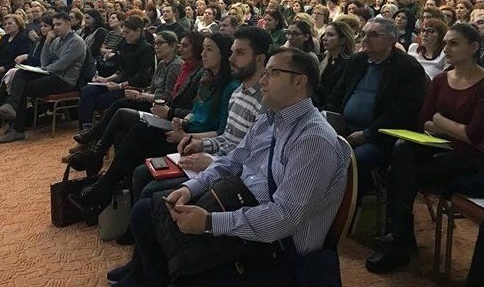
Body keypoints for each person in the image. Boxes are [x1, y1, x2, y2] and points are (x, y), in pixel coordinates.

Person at [113, 47, 350, 286]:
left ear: (299, 81)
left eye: (273, 73)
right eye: (264, 73)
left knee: (187, 267)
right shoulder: (270, 120)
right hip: (238, 200)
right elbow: (232, 161)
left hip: (276, 247)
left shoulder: (313, 139)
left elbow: (284, 218)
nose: (263, 80)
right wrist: (190, 188)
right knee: (146, 213)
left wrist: (209, 222)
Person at [366, 23, 484, 273]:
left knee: (397, 172)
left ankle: (399, 237)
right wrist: (458, 131)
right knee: (402, 149)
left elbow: (474, 135)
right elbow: (424, 120)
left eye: (454, 43)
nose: (446, 48)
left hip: (472, 159)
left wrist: (441, 121)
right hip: (440, 148)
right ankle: (399, 237)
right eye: (446, 43)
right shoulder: (441, 79)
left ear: (474, 47)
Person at [73, 32, 239, 217]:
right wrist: (183, 121)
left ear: (223, 54)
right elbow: (195, 112)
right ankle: (110, 191)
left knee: (132, 130)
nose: (203, 54)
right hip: (183, 130)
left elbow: (220, 131)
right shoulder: (207, 78)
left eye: (209, 50)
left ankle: (103, 186)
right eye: (203, 49)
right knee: (125, 132)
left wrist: (184, 133)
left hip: (195, 142)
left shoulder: (229, 88)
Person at [129, 26, 271, 208]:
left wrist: (208, 155)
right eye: (232, 52)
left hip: (229, 172)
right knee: (142, 170)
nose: (231, 58)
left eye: (240, 53)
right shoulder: (238, 92)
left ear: (259, 59)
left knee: (148, 195)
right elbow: (227, 137)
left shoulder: (263, 102)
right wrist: (199, 144)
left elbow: (252, 158)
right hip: (215, 157)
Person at [326, 18, 427, 197]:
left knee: (352, 161)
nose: (365, 39)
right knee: (312, 148)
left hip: (381, 136)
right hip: (344, 128)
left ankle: (350, 207)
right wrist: (328, 119)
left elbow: (402, 112)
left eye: (373, 35)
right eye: (363, 34)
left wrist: (367, 134)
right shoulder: (357, 60)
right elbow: (337, 94)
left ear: (390, 40)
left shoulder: (408, 68)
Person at [68, 31, 184, 170]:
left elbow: (167, 97)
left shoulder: (175, 65)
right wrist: (141, 94)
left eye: (160, 43)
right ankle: (96, 148)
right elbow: (151, 88)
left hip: (160, 108)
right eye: (155, 43)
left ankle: (95, 146)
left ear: (172, 46)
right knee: (111, 112)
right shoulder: (162, 64)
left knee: (120, 107)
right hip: (149, 100)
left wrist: (141, 95)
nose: (156, 47)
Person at [0, 12, 87, 143]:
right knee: (19, 74)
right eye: (54, 24)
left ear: (68, 24)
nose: (55, 27)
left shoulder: (77, 42)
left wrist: (44, 69)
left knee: (22, 88)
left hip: (64, 81)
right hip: (52, 74)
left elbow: (61, 65)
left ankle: (16, 127)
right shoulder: (56, 41)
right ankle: (11, 110)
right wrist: (47, 42)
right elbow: (45, 62)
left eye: (58, 24)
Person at [77, 16, 155, 131]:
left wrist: (119, 86)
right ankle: (86, 128)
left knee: (94, 100)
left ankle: (91, 131)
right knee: (86, 91)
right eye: (123, 32)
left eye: (127, 32)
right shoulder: (125, 44)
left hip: (132, 87)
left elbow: (142, 77)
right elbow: (121, 70)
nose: (124, 35)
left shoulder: (146, 49)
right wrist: (106, 79)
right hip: (119, 82)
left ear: (138, 31)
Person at [315, 21, 356, 109]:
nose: (324, 38)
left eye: (330, 35)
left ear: (343, 40)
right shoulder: (325, 60)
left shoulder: (348, 64)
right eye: (324, 34)